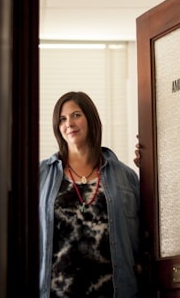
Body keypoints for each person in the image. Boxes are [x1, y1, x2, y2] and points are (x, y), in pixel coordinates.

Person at [39, 91, 140, 298]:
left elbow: (142, 239)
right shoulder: (40, 176)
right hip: (57, 292)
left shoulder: (126, 176)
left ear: (91, 119)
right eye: (62, 119)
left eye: (76, 115)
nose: (69, 123)